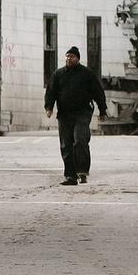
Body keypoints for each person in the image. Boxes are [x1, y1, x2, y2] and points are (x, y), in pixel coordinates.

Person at [45, 45, 107, 185]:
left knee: (80, 140)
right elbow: (51, 91)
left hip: (82, 112)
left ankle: (82, 171)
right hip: (64, 113)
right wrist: (49, 107)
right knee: (66, 144)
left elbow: (98, 92)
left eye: (72, 56)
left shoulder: (86, 74)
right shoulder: (59, 74)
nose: (69, 59)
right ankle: (70, 176)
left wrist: (102, 110)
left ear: (78, 59)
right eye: (67, 56)